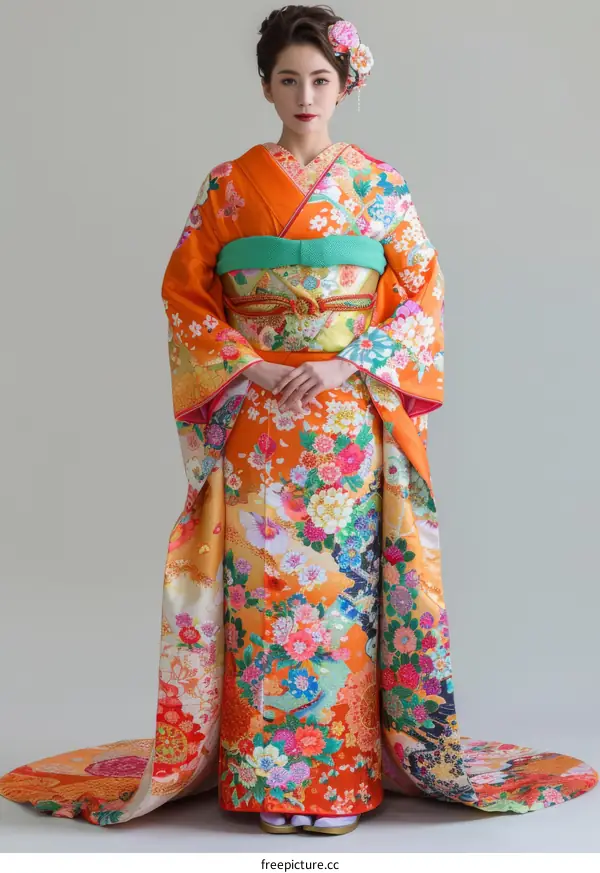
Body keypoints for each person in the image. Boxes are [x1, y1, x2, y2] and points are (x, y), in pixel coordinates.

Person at [0, 4, 597, 838]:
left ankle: (339, 778)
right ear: (265, 86)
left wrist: (342, 360)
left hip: (344, 417)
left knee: (340, 601)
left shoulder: (382, 187)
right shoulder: (228, 185)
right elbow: (185, 295)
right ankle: (264, 777)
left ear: (345, 84)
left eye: (320, 79)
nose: (304, 94)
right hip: (256, 420)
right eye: (288, 79)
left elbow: (424, 295)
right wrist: (254, 363)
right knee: (263, 597)